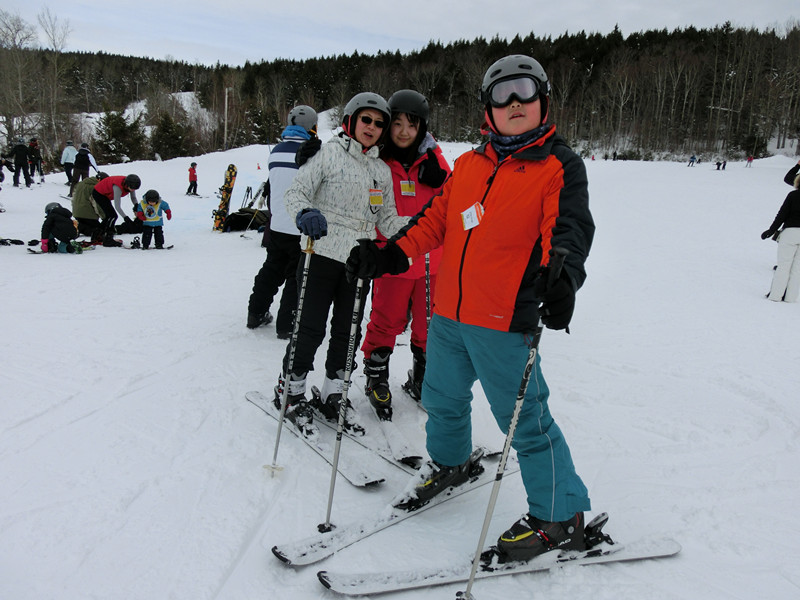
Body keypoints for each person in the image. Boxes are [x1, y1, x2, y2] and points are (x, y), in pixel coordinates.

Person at [346, 54, 595, 562]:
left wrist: (562, 277)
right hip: (451, 316)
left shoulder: (556, 165)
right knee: (441, 397)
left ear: (543, 99)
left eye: (524, 90)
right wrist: (390, 253)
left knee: (525, 420)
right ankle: (451, 461)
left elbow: (568, 229)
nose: (514, 102)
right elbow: (435, 222)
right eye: (502, 94)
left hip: (505, 319)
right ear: (488, 109)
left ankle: (560, 515)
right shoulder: (470, 165)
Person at [272, 92, 409, 435]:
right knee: (310, 328)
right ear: (351, 121)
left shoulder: (380, 170)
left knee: (348, 333)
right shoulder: (328, 153)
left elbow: (388, 218)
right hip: (319, 253)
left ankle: (335, 392)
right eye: (367, 120)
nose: (373, 127)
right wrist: (306, 213)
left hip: (358, 263)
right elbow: (296, 192)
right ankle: (291, 390)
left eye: (380, 123)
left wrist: (415, 228)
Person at [360, 89, 451, 419]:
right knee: (386, 319)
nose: (403, 131)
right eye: (396, 123)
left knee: (430, 325)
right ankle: (376, 375)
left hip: (431, 262)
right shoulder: (377, 159)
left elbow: (453, 203)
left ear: (422, 128)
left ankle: (423, 376)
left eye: (411, 125)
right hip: (393, 259)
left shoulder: (436, 161)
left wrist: (442, 180)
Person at [247, 105, 318, 334]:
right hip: (301, 226)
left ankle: (255, 312)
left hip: (277, 223)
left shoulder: (276, 151)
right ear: (311, 127)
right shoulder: (313, 152)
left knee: (271, 269)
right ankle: (287, 325)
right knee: (295, 277)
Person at [761, 169, 800, 302]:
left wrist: (771, 230)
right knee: (798, 269)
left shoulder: (793, 195)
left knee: (784, 266)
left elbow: (782, 214)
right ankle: (790, 298)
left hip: (790, 233)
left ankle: (776, 295)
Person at [92, 174, 141, 246]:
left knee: (109, 216)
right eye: (132, 188)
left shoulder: (130, 184)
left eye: (135, 189)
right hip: (98, 193)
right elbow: (117, 206)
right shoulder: (118, 187)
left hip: (104, 194)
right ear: (127, 185)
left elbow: (133, 197)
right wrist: (126, 218)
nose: (133, 190)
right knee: (113, 216)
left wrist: (136, 206)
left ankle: (96, 235)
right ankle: (108, 239)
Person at [71, 171, 109, 241]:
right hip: (89, 215)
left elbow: (73, 198)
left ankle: (78, 226)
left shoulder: (80, 184)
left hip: (76, 213)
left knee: (90, 227)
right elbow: (97, 204)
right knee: (99, 231)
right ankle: (79, 227)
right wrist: (104, 217)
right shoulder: (95, 188)